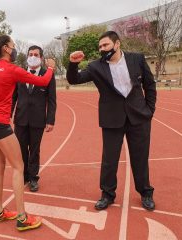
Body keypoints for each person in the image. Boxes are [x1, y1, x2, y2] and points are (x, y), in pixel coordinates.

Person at [66, 31, 157, 211]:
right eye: (100, 47)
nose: (102, 49)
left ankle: (146, 193)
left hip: (139, 116)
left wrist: (149, 110)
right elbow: (74, 79)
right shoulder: (95, 67)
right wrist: (73, 64)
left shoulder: (136, 59)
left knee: (140, 157)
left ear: (117, 44)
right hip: (111, 118)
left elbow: (150, 84)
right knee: (109, 159)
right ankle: (107, 195)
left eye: (105, 45)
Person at [0, 35, 55, 231]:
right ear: (7, 49)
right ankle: (22, 217)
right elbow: (43, 81)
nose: (15, 48)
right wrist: (51, 67)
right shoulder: (12, 69)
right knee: (18, 167)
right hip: (0, 124)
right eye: (13, 46)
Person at [12, 45, 57, 192]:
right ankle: (23, 175)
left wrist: (50, 120)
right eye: (30, 54)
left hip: (38, 119)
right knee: (21, 149)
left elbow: (51, 100)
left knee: (35, 150)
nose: (33, 56)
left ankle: (33, 178)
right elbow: (13, 98)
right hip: (21, 118)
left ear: (41, 58)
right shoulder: (19, 73)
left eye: (36, 55)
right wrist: (8, 115)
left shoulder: (48, 75)